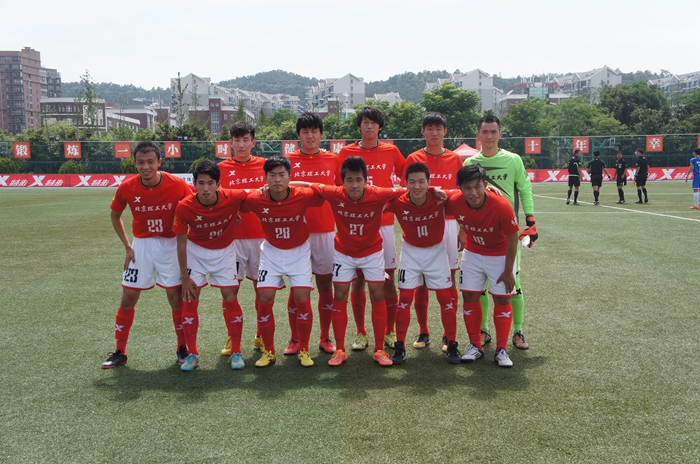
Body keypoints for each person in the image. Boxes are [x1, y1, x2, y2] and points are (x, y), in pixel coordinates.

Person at [298, 156, 405, 366]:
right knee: (339, 294)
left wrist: (435, 189)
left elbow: (409, 189)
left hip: (372, 252)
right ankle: (340, 349)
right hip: (344, 253)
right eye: (349, 180)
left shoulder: (378, 193)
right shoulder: (335, 193)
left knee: (377, 294)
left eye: (358, 180)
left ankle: (379, 349)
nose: (354, 185)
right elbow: (309, 185)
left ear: (366, 180)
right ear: (342, 182)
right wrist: (274, 186)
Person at [101, 140, 194, 369]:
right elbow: (115, 215)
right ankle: (120, 350)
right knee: (128, 297)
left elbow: (195, 204)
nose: (146, 167)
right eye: (141, 162)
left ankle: (182, 347)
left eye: (150, 162)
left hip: (169, 245)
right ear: (134, 163)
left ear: (159, 162)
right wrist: (127, 246)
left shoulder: (177, 184)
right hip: (141, 245)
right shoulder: (127, 187)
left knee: (175, 297)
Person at [240, 156, 325, 368]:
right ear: (265, 177)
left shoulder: (302, 195)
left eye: (282, 175)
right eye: (272, 175)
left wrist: (296, 183)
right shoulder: (256, 198)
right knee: (264, 297)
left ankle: (303, 349)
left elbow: (321, 192)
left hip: (299, 252)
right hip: (271, 252)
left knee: (302, 297)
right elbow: (235, 202)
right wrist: (234, 214)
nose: (277, 179)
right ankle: (269, 351)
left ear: (289, 176)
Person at [463, 115, 537, 351]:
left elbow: (524, 188)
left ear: (500, 134)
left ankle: (518, 331)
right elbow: (464, 197)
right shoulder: (470, 163)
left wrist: (531, 218)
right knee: (480, 286)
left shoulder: (513, 160)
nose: (489, 136)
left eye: (493, 132)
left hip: (507, 232)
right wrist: (462, 229)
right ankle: (484, 329)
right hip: (479, 232)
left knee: (513, 283)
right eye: (484, 132)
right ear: (478, 135)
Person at [337, 106, 405, 351]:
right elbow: (338, 186)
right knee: (357, 279)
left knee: (387, 280)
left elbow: (406, 181)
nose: (369, 126)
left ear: (380, 127)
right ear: (359, 126)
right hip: (355, 225)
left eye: (373, 123)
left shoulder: (392, 151)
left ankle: (389, 331)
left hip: (383, 225)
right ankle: (361, 332)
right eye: (365, 122)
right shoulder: (346, 152)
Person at [173, 160, 249, 371]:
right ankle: (192, 354)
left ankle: (236, 352)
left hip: (225, 253)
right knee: (190, 300)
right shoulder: (185, 206)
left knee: (230, 297)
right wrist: (184, 277)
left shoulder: (232, 197)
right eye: (201, 183)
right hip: (195, 253)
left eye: (210, 183)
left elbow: (259, 192)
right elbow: (180, 243)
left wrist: (236, 213)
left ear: (218, 184)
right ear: (194, 184)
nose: (205, 188)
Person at [445, 165, 519, 367]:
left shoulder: (501, 205)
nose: (473, 192)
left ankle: (501, 349)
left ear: (486, 185)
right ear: (459, 188)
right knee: (469, 296)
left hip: (500, 254)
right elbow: (431, 193)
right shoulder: (454, 200)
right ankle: (475, 345)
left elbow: (513, 239)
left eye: (478, 186)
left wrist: (508, 271)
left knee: (502, 299)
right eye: (467, 187)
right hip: (473, 253)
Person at [386, 162, 460, 365]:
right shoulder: (398, 201)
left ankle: (452, 344)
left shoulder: (440, 197)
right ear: (405, 184)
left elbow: (465, 193)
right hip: (411, 252)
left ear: (429, 183)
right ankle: (400, 347)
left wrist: (489, 189)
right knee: (405, 299)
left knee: (445, 298)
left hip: (436, 251)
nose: (417, 186)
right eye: (412, 182)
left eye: (421, 182)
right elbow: (373, 198)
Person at [402, 112, 463, 350]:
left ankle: (449, 334)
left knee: (450, 279)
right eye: (430, 128)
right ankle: (423, 331)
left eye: (438, 128)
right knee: (422, 281)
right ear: (423, 132)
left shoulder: (455, 158)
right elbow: (405, 190)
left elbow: (461, 195)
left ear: (445, 131)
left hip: (448, 224)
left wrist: (463, 229)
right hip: (422, 223)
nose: (434, 133)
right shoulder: (414, 158)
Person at [284, 112, 340, 356]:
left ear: (321, 134)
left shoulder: (333, 160)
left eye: (314, 131)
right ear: (298, 135)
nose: (309, 136)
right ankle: (295, 339)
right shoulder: (287, 161)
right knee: (297, 287)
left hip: (325, 231)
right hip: (296, 232)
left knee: (325, 285)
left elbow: (340, 193)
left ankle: (325, 337)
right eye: (305, 132)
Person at [217, 121, 266, 355]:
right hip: (232, 240)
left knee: (262, 290)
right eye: (237, 140)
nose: (241, 144)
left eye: (246, 140)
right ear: (231, 143)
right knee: (230, 290)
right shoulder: (220, 169)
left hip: (261, 238)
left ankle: (261, 335)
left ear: (253, 142)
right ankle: (232, 336)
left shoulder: (266, 166)